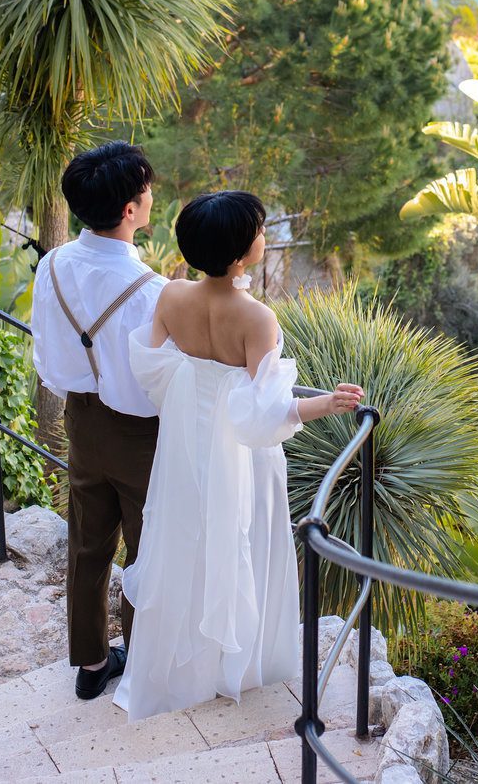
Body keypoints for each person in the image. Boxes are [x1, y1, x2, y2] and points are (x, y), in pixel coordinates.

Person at [114, 190, 363, 720]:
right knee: (243, 541)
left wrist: (197, 385)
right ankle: (240, 667)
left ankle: (181, 672)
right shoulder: (257, 319)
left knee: (187, 542)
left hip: (185, 446)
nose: (262, 235)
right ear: (237, 253)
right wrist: (331, 402)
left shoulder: (171, 297)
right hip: (242, 460)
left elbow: (153, 368)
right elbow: (267, 414)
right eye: (257, 229)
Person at [30, 141, 166, 701]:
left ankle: (89, 664)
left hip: (80, 418)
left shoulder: (53, 263)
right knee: (146, 547)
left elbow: (46, 352)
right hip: (140, 434)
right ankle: (138, 662)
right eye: (147, 190)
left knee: (88, 544)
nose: (152, 196)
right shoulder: (153, 292)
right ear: (130, 210)